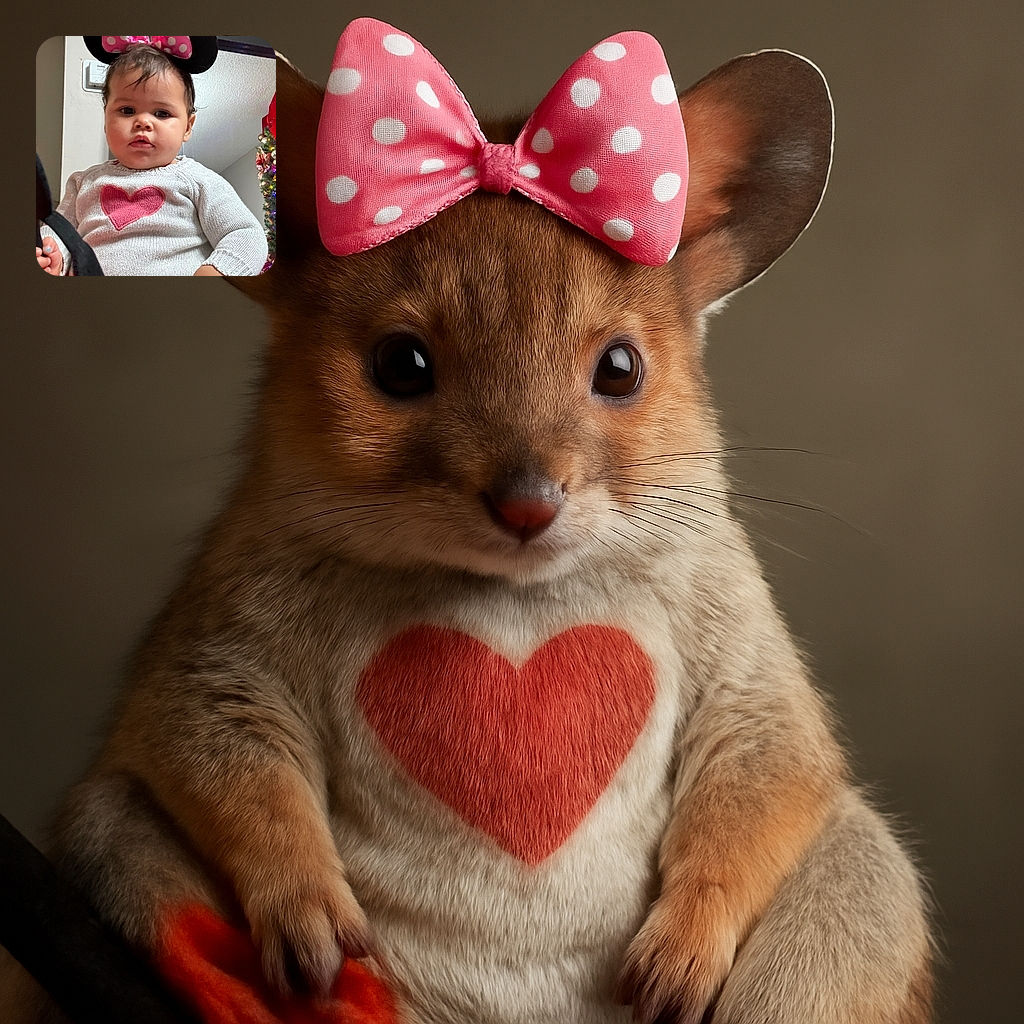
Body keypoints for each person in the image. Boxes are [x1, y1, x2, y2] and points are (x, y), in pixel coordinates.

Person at [36, 41, 268, 276]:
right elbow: (59, 231)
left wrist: (218, 271)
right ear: (106, 120)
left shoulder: (199, 180)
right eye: (127, 110)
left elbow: (245, 234)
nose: (143, 122)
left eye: (162, 113)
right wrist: (52, 254)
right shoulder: (83, 182)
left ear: (188, 127)